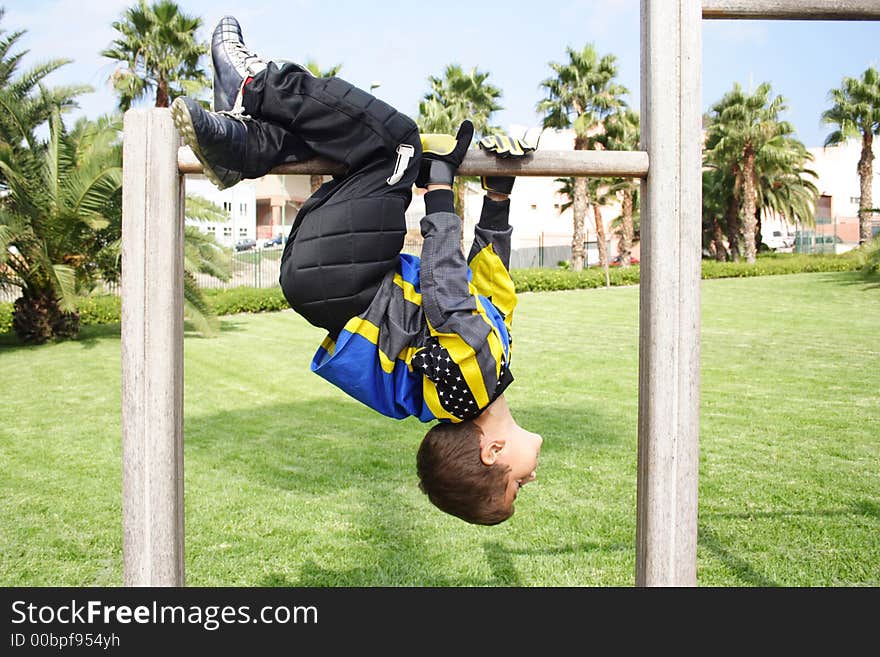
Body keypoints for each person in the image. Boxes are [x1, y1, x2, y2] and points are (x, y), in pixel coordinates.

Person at [171, 16, 543, 525]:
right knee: (359, 151)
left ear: (492, 452)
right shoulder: (472, 384)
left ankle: (254, 84)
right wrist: (498, 195)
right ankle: (242, 148)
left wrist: (438, 192)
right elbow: (492, 285)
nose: (531, 479)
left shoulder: (472, 384)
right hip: (331, 280)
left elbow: (448, 291)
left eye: (517, 484)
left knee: (400, 147)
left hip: (346, 278)